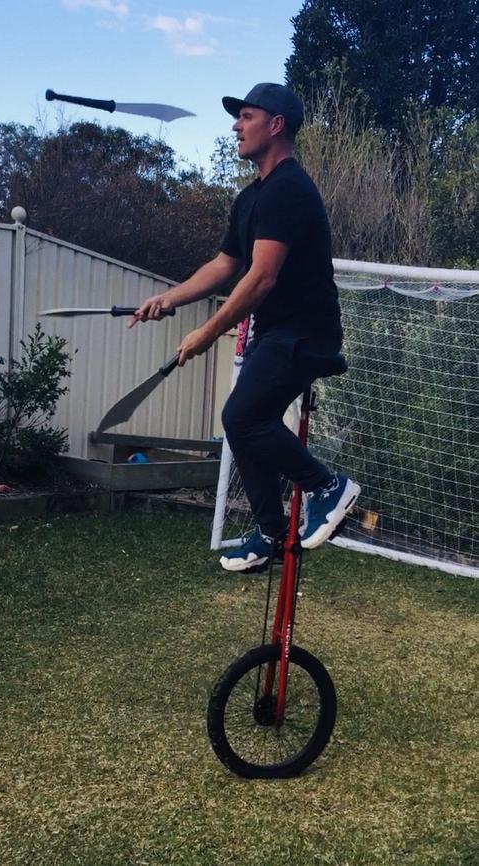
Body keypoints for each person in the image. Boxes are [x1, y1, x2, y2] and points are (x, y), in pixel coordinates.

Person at [130, 82, 360, 571]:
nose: (236, 125)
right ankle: (271, 535)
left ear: (276, 125)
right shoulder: (250, 198)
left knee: (242, 418)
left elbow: (261, 278)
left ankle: (328, 487)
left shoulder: (289, 189)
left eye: (247, 116)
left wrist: (206, 332)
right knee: (242, 422)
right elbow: (223, 265)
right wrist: (168, 298)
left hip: (305, 333)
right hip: (276, 333)